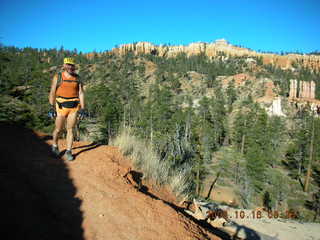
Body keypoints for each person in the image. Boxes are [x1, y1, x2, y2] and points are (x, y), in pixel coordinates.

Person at [48, 57, 86, 161]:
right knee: (58, 129)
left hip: (73, 107)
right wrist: (51, 107)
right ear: (64, 66)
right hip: (61, 107)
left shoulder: (77, 78)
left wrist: (83, 108)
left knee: (70, 129)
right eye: (68, 65)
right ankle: (55, 146)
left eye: (72, 65)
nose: (70, 67)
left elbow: (81, 93)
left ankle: (69, 151)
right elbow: (52, 92)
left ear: (74, 66)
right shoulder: (58, 77)